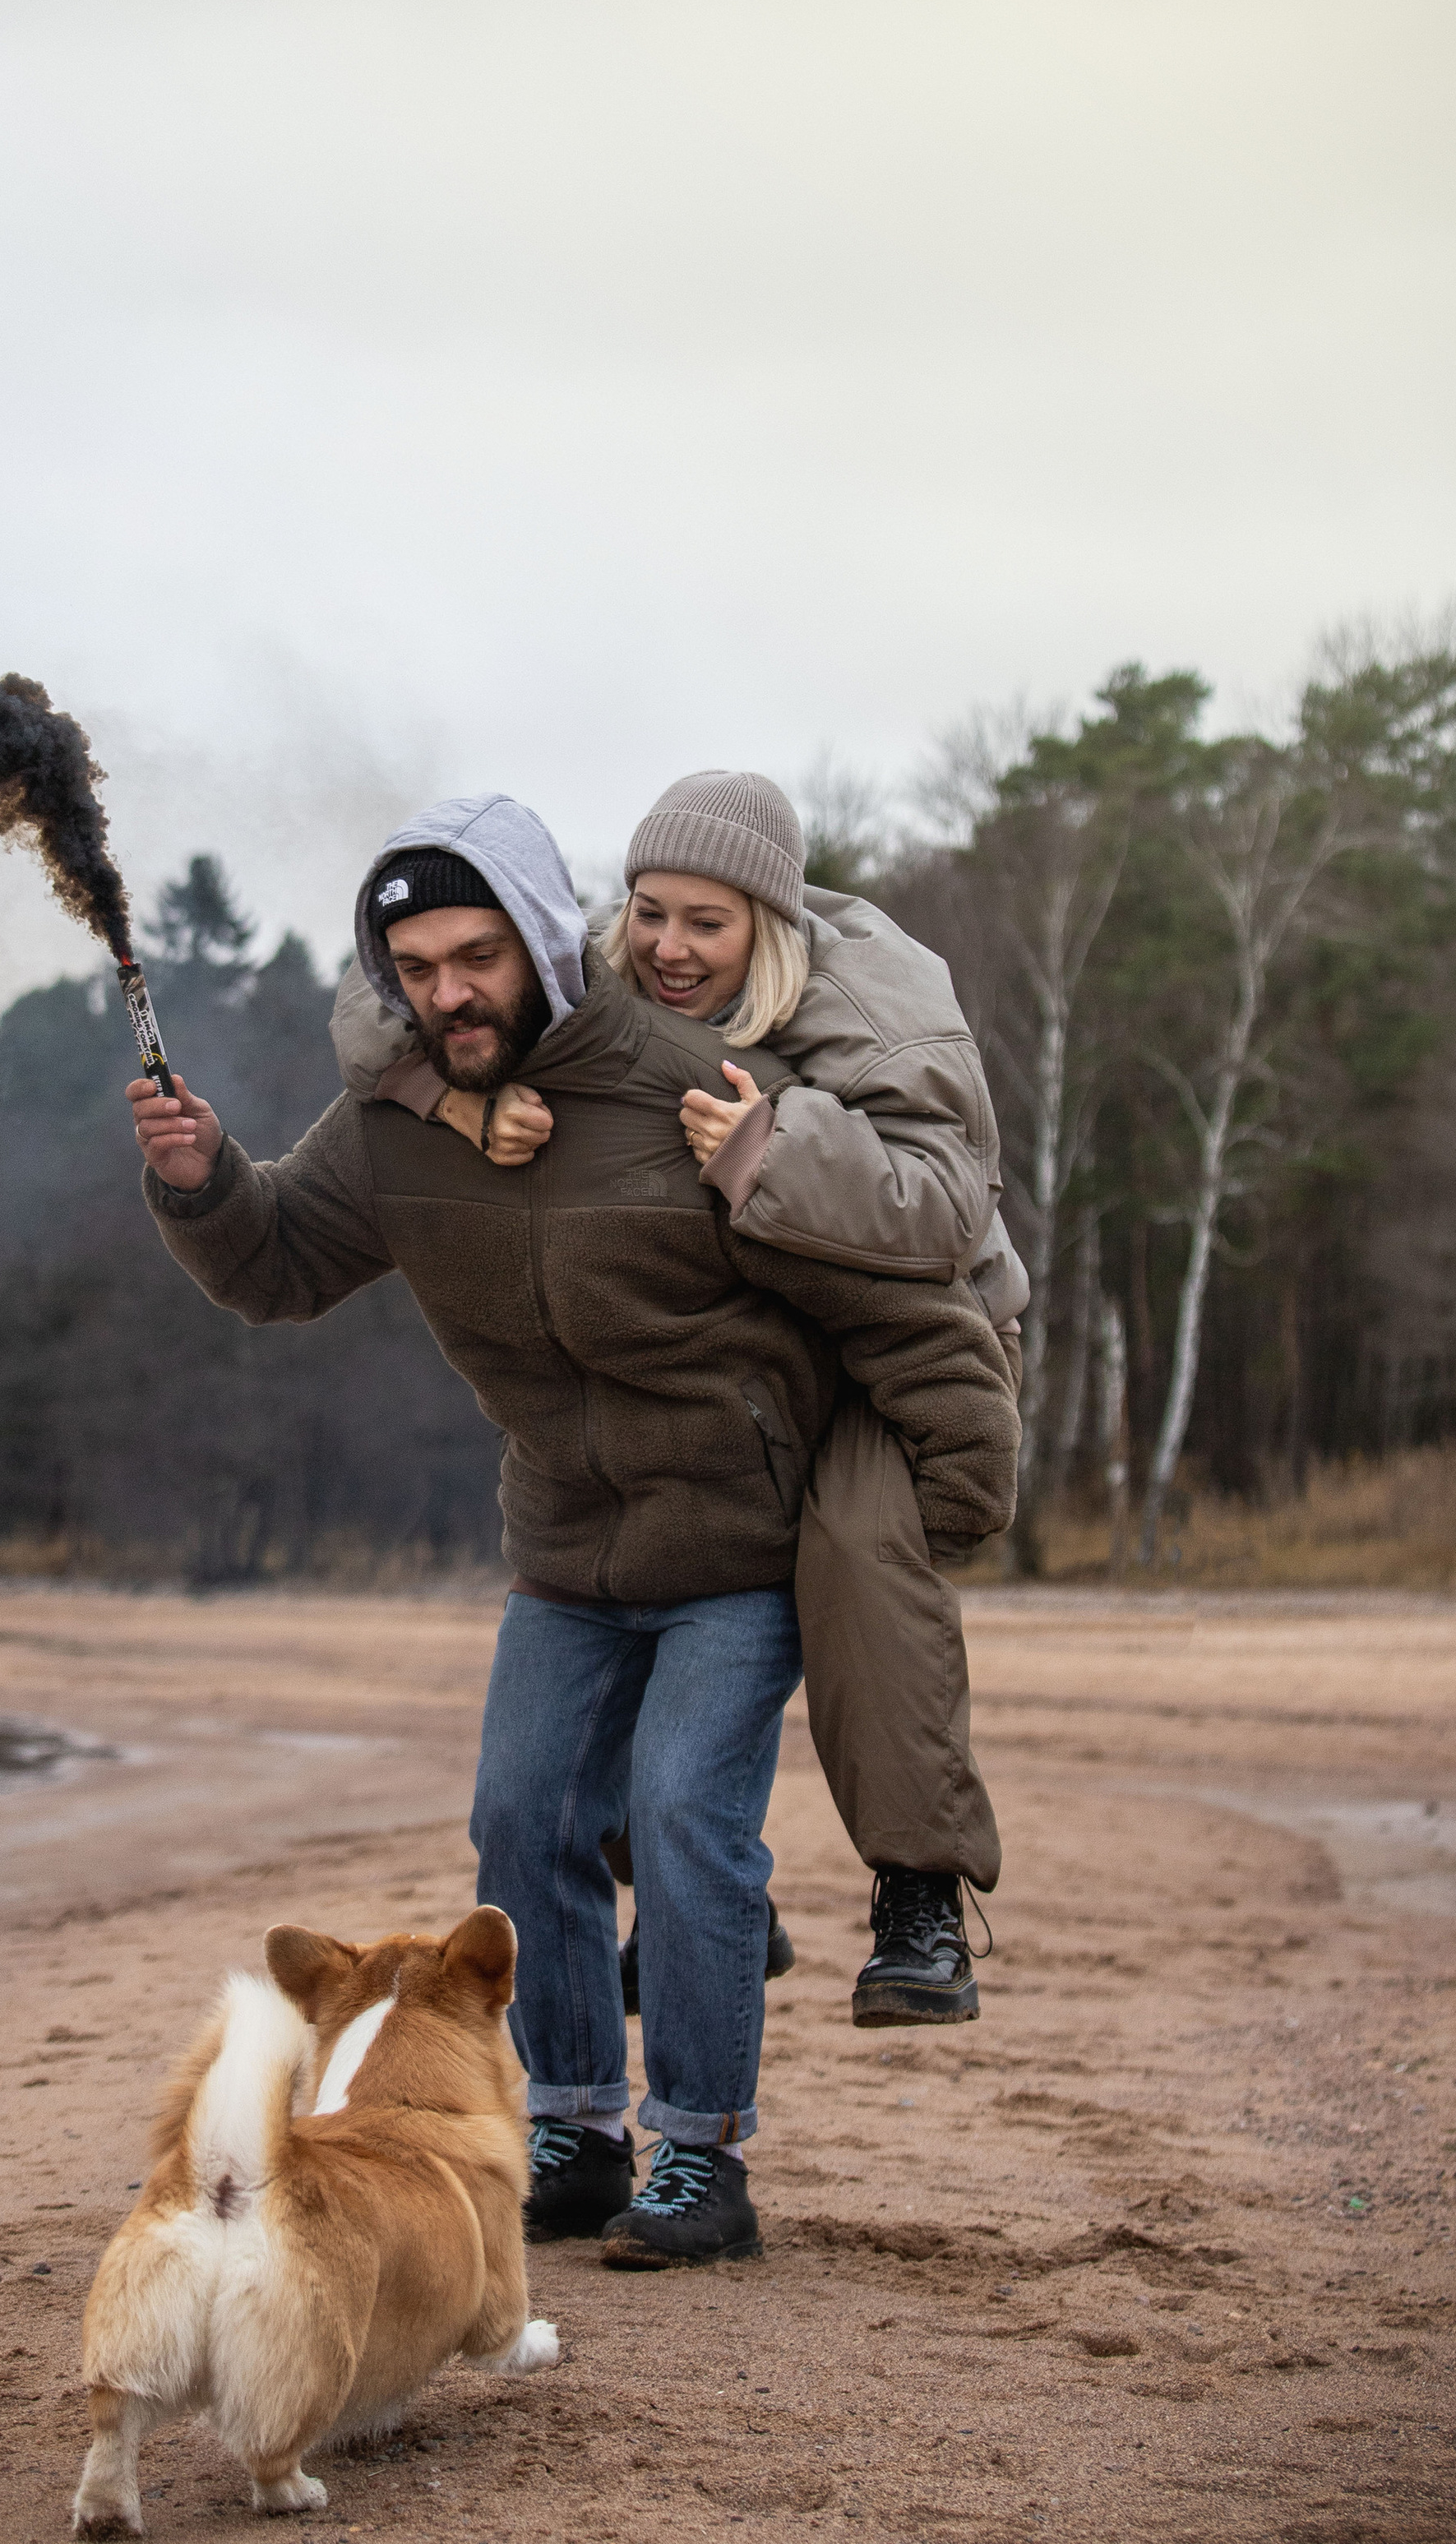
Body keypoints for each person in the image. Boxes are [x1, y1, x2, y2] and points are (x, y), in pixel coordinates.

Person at [129, 796, 1017, 2271]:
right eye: (416, 968)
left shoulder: (700, 1096)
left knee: (683, 1817)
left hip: (734, 1541)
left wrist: (959, 1477)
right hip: (565, 1550)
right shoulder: (397, 1125)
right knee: (521, 1822)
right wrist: (200, 1183)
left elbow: (895, 1297)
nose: (449, 992)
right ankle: (578, 2130)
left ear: (546, 942)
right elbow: (278, 1263)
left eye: (477, 956)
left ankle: (700, 2158)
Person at [332, 769, 1028, 2027]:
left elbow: (944, 1211)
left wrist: (778, 1146)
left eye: (705, 923)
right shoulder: (601, 986)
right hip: (773, 1321)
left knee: (856, 1550)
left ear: (769, 922)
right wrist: (457, 1095)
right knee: (647, 1540)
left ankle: (920, 1900)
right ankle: (704, 1895)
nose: (666, 947)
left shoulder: (871, 1005)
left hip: (920, 1329)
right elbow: (390, 1009)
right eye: (648, 911)